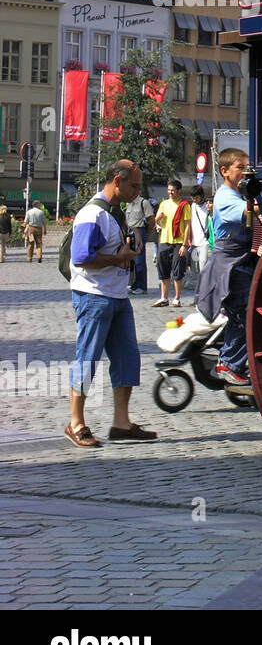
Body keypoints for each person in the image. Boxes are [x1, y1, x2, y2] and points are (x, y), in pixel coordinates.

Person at [66, 159, 156, 448]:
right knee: (88, 359)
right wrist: (120, 258)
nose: (137, 192)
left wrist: (126, 253)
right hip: (93, 296)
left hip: (117, 296)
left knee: (127, 358)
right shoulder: (92, 214)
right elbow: (81, 257)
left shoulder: (115, 213)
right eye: (134, 186)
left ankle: (121, 423)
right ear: (117, 180)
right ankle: (76, 422)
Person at [198, 148, 255, 386]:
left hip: (240, 261)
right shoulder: (224, 197)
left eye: (247, 167)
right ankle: (229, 363)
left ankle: (234, 362)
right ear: (224, 171)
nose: (245, 172)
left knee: (242, 314)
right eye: (240, 168)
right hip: (231, 264)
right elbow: (248, 212)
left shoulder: (236, 193)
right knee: (241, 315)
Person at [152, 180, 190, 308]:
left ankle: (177, 298)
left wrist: (185, 245)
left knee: (178, 271)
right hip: (164, 240)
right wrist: (158, 218)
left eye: (173, 190)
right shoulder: (163, 204)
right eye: (169, 190)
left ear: (179, 191)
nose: (170, 193)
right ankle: (164, 297)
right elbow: (154, 222)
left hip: (178, 242)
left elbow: (188, 226)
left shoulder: (184, 205)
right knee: (163, 270)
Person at [123, 189, 153, 295]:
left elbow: (151, 220)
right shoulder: (128, 203)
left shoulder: (143, 202)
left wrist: (146, 234)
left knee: (139, 260)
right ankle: (134, 284)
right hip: (130, 232)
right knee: (132, 261)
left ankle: (142, 286)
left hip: (140, 231)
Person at [187, 185, 212, 295]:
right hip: (194, 243)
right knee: (195, 271)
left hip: (205, 243)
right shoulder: (193, 206)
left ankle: (204, 295)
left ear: (202, 196)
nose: (195, 200)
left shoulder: (208, 206)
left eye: (196, 198)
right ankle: (198, 296)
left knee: (203, 270)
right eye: (193, 198)